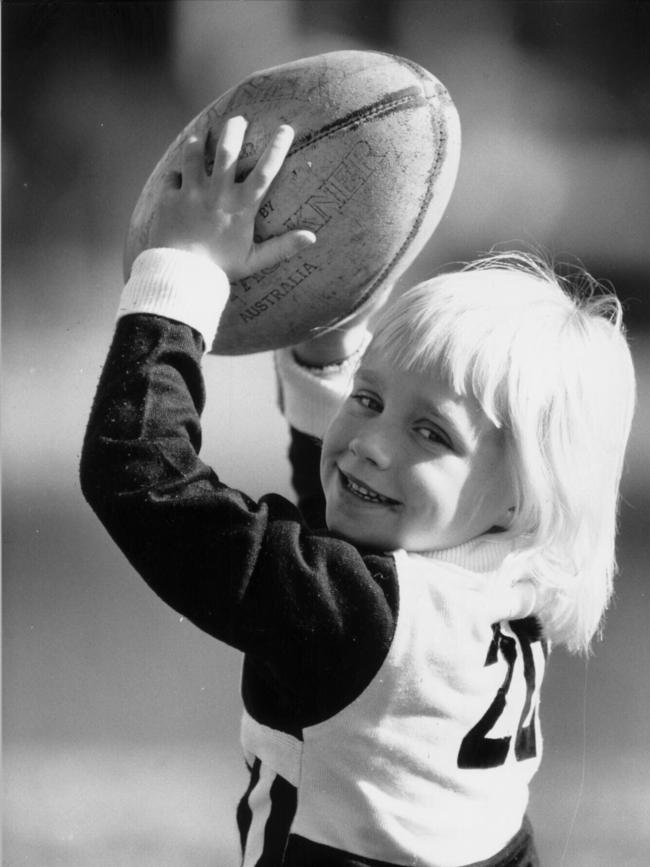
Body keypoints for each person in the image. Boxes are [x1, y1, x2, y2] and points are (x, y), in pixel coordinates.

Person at [81, 117, 636, 867]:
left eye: (432, 433)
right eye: (368, 398)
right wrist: (328, 346)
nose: (371, 443)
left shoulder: (354, 612)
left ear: (523, 495)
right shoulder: (509, 585)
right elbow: (358, 553)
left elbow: (138, 472)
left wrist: (183, 270)